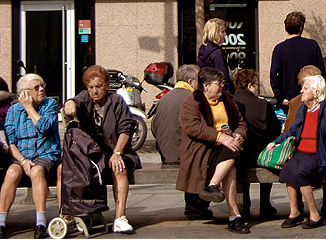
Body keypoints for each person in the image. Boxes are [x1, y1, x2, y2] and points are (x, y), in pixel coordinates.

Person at [63, 65, 142, 234]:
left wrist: (117, 153)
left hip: (116, 150)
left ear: (106, 85)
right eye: (91, 87)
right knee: (63, 168)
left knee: (119, 168)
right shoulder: (85, 98)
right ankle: (67, 215)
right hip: (90, 154)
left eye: (98, 86)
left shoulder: (116, 101)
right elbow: (74, 101)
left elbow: (126, 128)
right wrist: (69, 103)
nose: (95, 91)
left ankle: (120, 217)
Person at [176, 67, 250, 234]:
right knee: (232, 159)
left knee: (232, 156)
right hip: (202, 150)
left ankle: (213, 188)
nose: (223, 86)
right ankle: (234, 217)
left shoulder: (228, 100)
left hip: (227, 148)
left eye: (223, 82)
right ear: (206, 86)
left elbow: (240, 122)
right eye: (219, 83)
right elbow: (193, 127)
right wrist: (220, 137)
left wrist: (238, 135)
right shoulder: (191, 102)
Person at [275, 75, 326, 230]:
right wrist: (276, 142)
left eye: (305, 88)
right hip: (302, 152)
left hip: (319, 153)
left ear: (317, 92)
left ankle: (315, 215)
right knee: (288, 170)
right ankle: (295, 212)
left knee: (300, 173)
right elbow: (295, 130)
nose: (301, 91)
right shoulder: (304, 108)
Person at [0, 74, 60, 239]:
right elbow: (10, 142)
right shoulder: (13, 110)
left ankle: (40, 222)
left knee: (37, 172)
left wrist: (30, 108)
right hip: (21, 155)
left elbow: (44, 128)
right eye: (36, 87)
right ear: (23, 93)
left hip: (45, 154)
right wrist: (23, 161)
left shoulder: (49, 104)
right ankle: (1, 223)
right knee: (12, 173)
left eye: (42, 85)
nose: (42, 89)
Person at [151, 64, 213, 219]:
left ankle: (193, 203)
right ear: (191, 82)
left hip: (166, 153)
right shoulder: (191, 99)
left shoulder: (166, 97)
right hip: (180, 156)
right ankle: (197, 203)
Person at [233, 69, 281, 220]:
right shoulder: (262, 104)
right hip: (260, 153)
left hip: (239, 155)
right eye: (256, 84)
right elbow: (275, 130)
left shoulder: (230, 102)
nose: (258, 88)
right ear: (249, 85)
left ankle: (244, 203)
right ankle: (265, 204)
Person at [270, 11, 326, 109]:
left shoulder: (280, 49)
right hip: (311, 98)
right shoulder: (313, 45)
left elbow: (274, 74)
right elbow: (321, 73)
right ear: (301, 27)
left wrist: (280, 97)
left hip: (289, 99)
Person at [197, 18, 234, 94]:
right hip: (217, 92)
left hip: (206, 90)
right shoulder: (217, 52)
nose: (225, 34)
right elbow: (223, 77)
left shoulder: (203, 48)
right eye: (222, 32)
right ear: (215, 33)